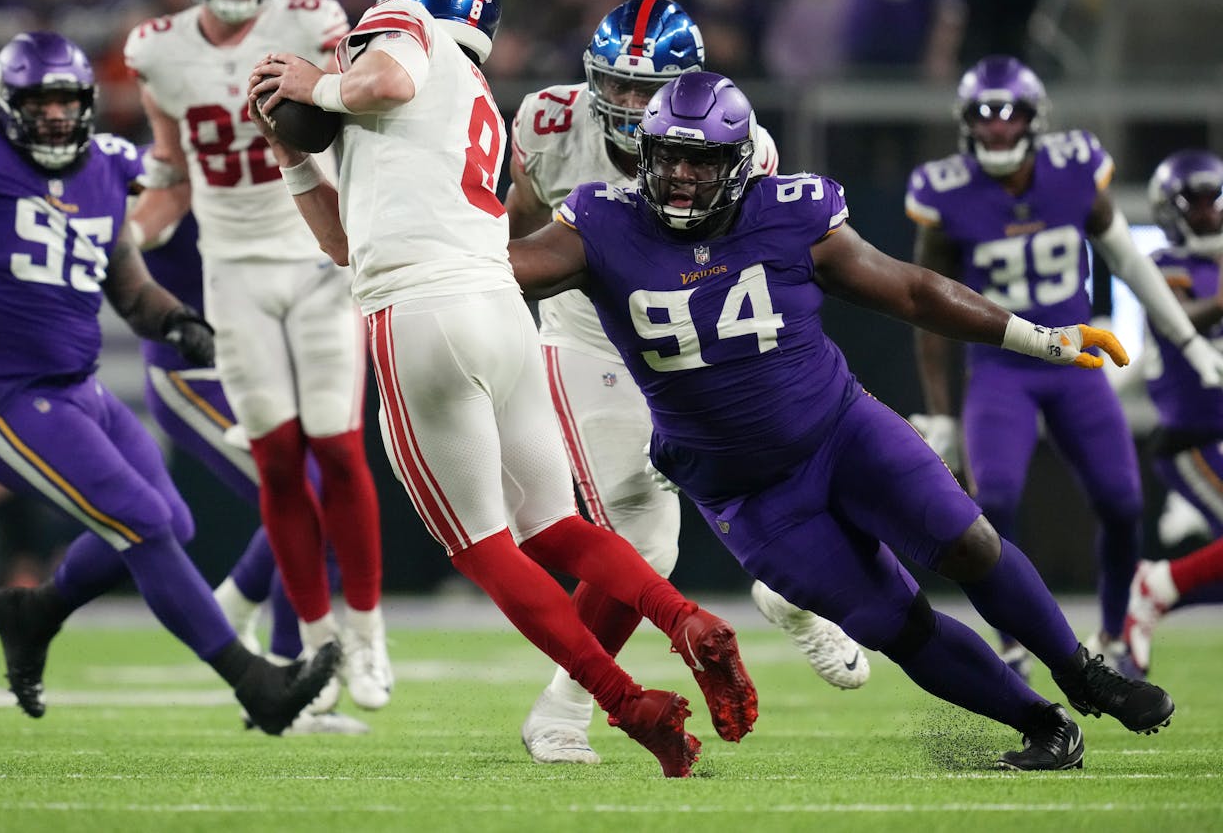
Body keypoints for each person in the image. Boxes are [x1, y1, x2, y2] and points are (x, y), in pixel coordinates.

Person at [508, 70, 1178, 771]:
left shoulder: (788, 211)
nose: (679, 174)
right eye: (667, 155)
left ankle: (1082, 672)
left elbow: (913, 290)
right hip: (747, 494)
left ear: (738, 162)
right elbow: (507, 268)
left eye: (701, 159)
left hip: (842, 432)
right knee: (896, 622)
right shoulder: (603, 223)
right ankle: (1042, 721)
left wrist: (1040, 337)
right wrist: (418, 252)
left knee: (970, 543)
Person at [246, 0, 757, 778]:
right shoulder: (477, 96)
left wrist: (311, 85)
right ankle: (688, 618)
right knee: (558, 527)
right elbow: (342, 238)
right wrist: (292, 153)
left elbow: (383, 82)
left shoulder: (404, 32)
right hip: (501, 311)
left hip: (418, 311)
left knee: (486, 547)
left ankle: (630, 704)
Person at [0, 30, 337, 736]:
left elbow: (127, 282)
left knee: (173, 520)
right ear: (9, 107)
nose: (54, 115)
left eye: (66, 101)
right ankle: (256, 684)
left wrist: (177, 323)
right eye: (39, 102)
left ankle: (37, 612)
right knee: (142, 524)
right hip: (4, 398)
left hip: (81, 388)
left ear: (86, 105)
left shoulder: (109, 167)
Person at [505, 0, 867, 766]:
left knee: (784, 474)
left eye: (648, 91)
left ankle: (791, 597)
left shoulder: (743, 143)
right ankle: (563, 706)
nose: (631, 107)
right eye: (618, 86)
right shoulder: (546, 121)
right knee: (642, 535)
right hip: (588, 335)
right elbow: (517, 225)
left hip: (694, 328)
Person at [123, 0, 390, 711]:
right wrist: (119, 241)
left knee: (339, 450)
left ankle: (370, 635)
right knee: (277, 459)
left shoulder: (315, 25)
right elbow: (170, 173)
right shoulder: (156, 51)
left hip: (316, 259)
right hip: (230, 270)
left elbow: (362, 118)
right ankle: (316, 644)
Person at [907, 55, 1223, 677]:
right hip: (1001, 368)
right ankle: (1014, 640)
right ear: (967, 125)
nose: (998, 130)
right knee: (992, 499)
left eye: (1010, 115)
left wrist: (1189, 343)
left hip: (1074, 360)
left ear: (1035, 120)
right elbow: (929, 305)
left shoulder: (1072, 170)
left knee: (1123, 502)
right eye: (985, 117)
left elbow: (1130, 260)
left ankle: (1113, 631)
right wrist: (942, 413)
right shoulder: (947, 193)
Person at [131, 205, 366, 734]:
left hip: (270, 360)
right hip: (199, 370)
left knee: (326, 492)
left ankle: (237, 608)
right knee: (312, 502)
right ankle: (287, 676)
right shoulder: (171, 168)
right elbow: (126, 240)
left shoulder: (276, 154)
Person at [1120, 150, 1223, 674]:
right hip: (1193, 435)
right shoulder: (1163, 265)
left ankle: (1144, 600)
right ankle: (1152, 587)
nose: (1206, 211)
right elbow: (1188, 319)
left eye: (1214, 199)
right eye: (1195, 200)